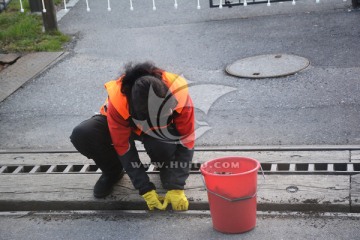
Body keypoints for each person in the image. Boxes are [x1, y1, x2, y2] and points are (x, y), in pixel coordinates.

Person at [70, 62, 195, 211]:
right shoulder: (118, 101)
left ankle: (167, 167)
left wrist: (177, 185)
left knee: (162, 144)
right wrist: (145, 188)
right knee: (83, 134)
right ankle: (112, 172)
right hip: (124, 120)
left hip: (157, 127)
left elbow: (187, 140)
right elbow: (124, 146)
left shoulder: (179, 93)